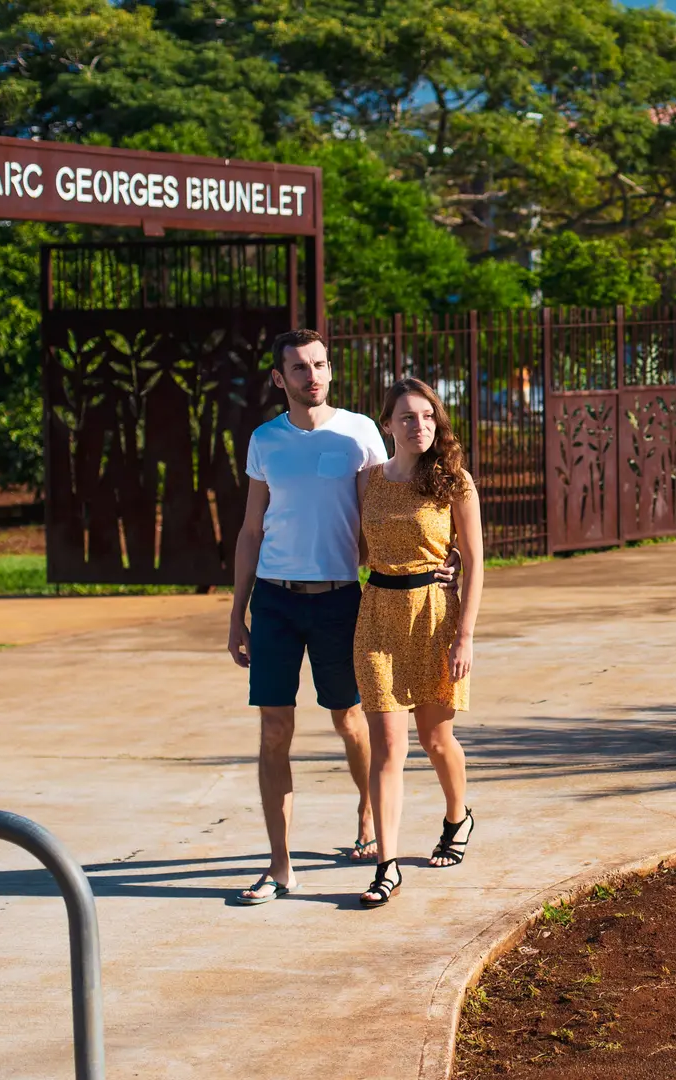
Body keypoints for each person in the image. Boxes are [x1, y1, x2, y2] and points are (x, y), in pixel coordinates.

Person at [227, 330, 453, 906]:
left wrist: (441, 560)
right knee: (274, 730)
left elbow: (396, 510)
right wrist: (237, 613)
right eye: (299, 368)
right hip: (275, 601)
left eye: (320, 365)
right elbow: (251, 529)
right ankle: (279, 867)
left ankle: (367, 810)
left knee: (350, 721)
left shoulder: (360, 435)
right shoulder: (264, 441)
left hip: (341, 601)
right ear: (280, 378)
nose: (312, 376)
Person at [355, 377, 486, 907]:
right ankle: (387, 866)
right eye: (408, 417)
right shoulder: (367, 480)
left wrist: (466, 636)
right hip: (377, 616)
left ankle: (459, 817)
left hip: (435, 617)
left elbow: (475, 561)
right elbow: (358, 550)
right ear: (387, 424)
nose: (420, 426)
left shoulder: (454, 481)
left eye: (428, 416)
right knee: (388, 745)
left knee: (435, 741)